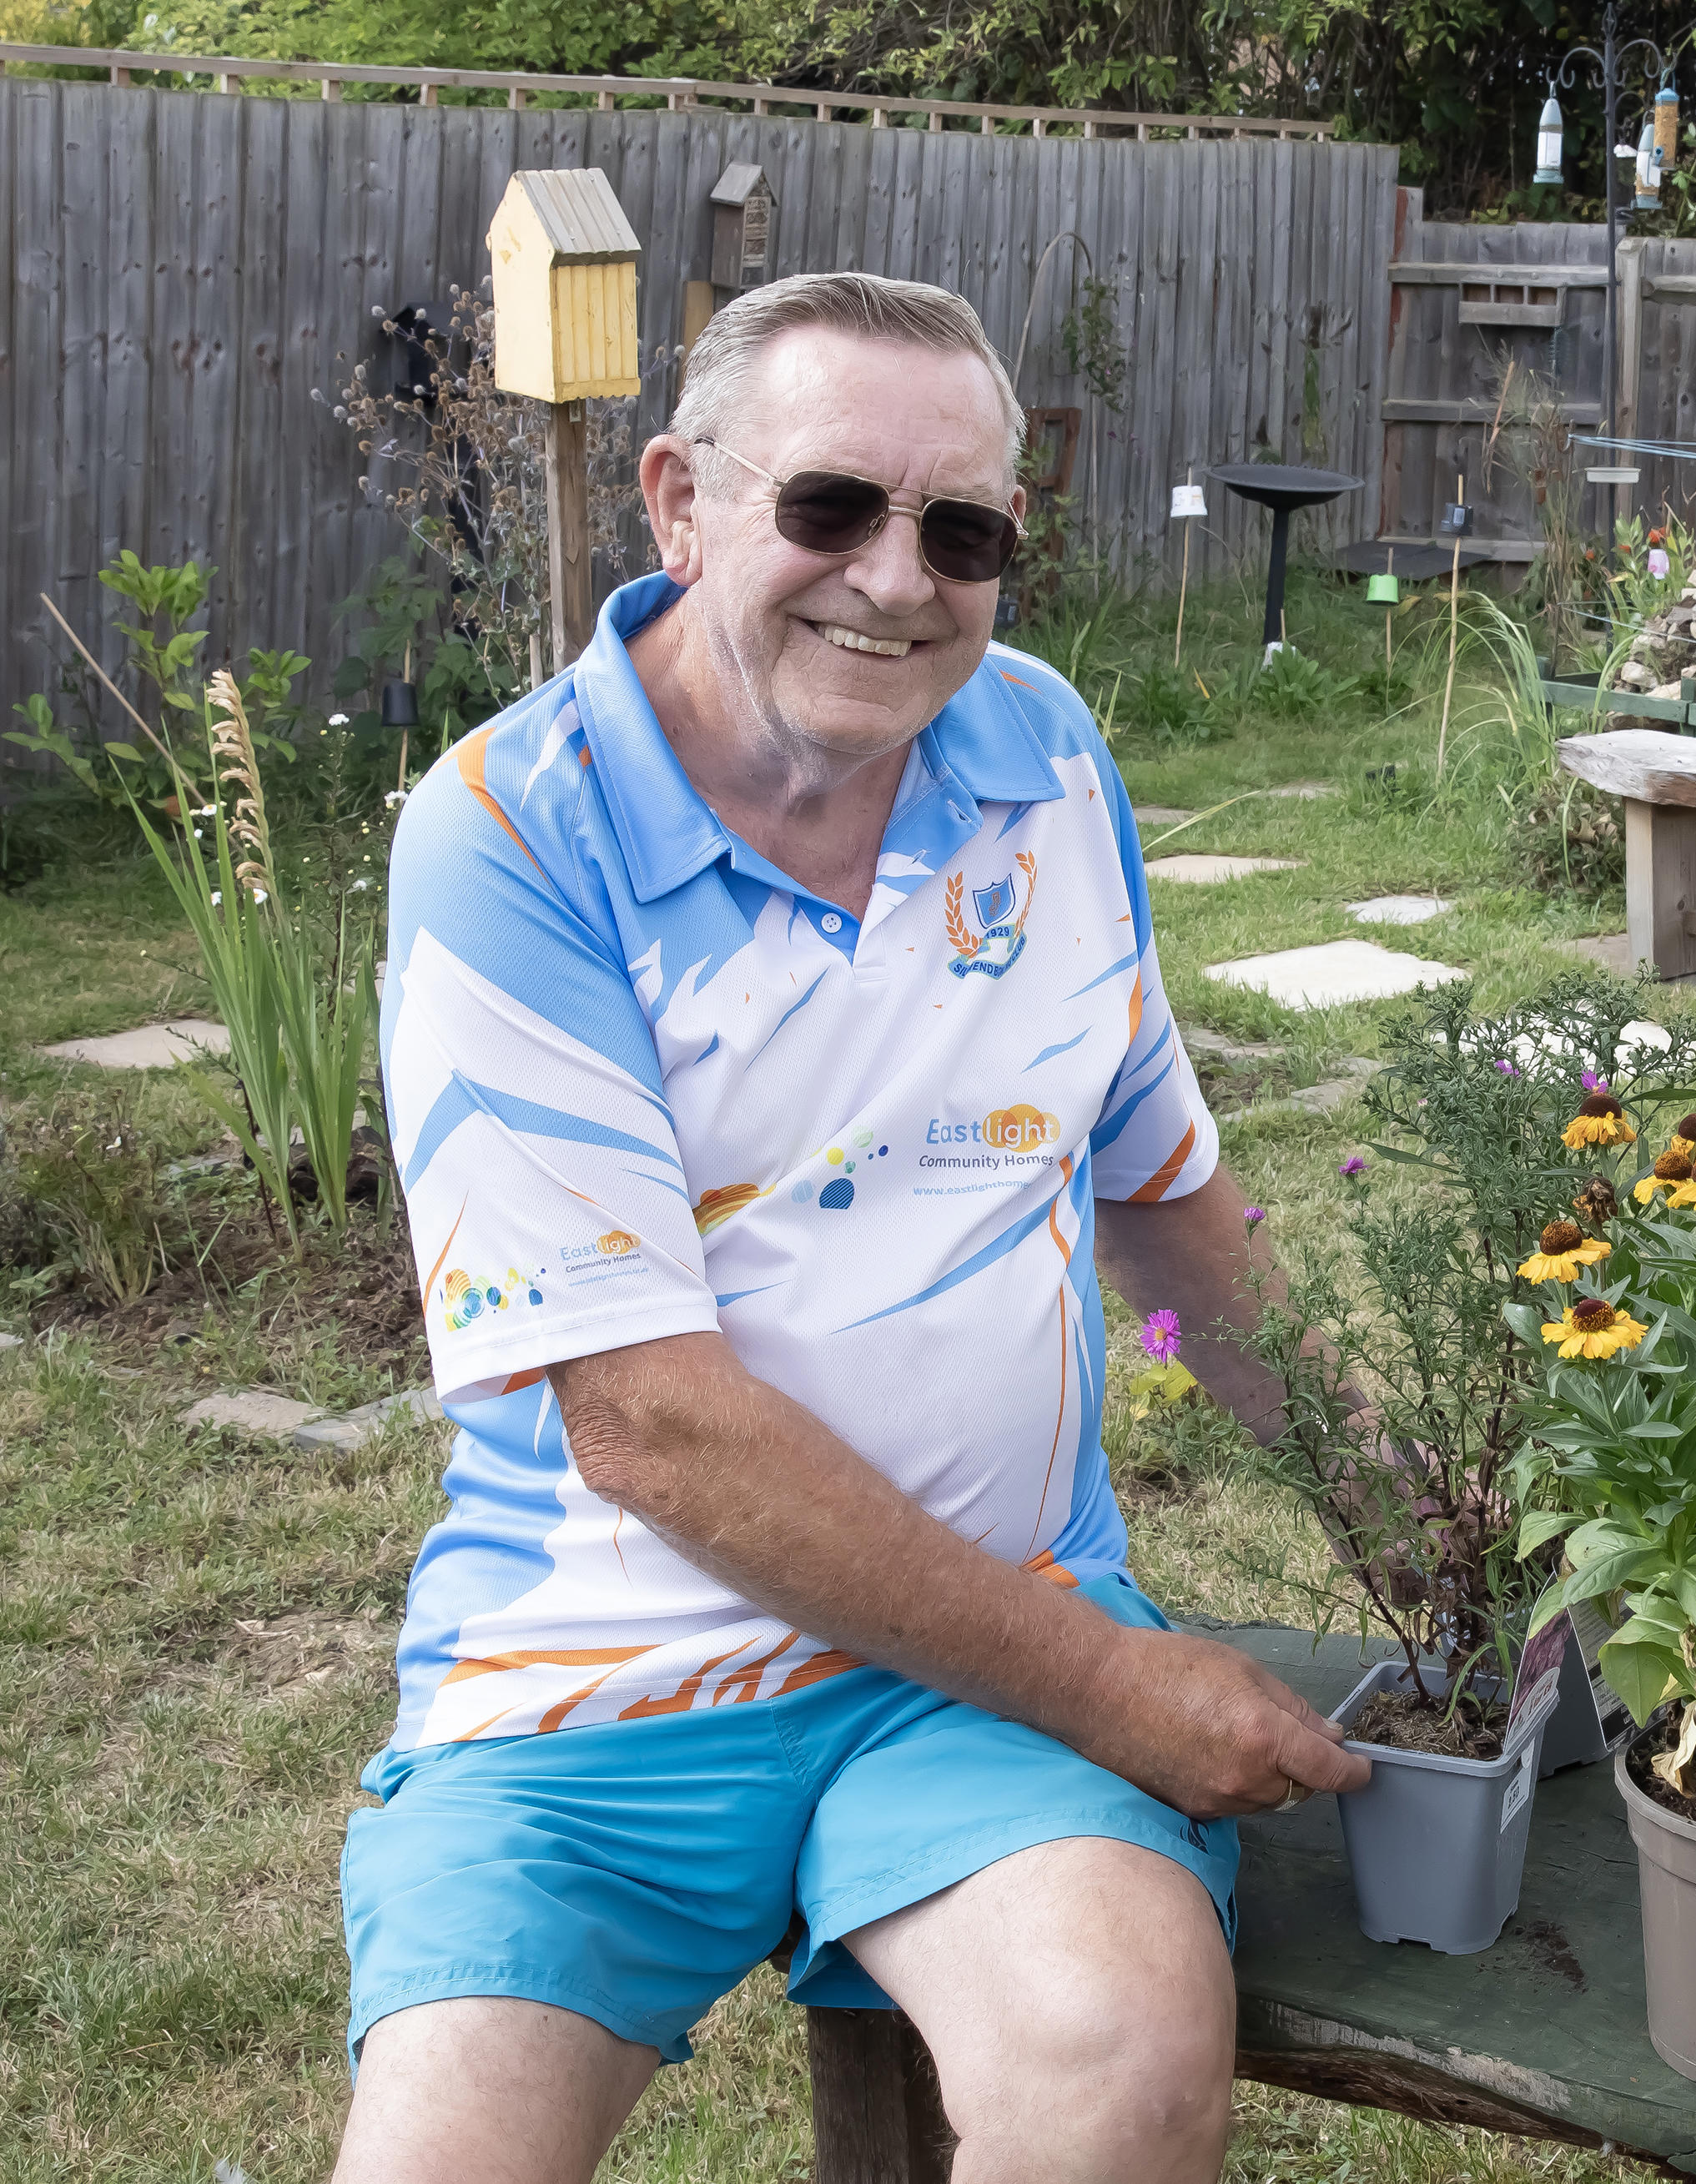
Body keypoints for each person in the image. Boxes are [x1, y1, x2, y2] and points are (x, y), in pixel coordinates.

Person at [334, 270, 1369, 2184]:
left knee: (1120, 2068)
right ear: (678, 501)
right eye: (832, 508)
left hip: (984, 1656)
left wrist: (1425, 1525)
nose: (897, 581)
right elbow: (644, 1417)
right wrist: (1128, 1689)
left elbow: (1165, 1195)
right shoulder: (512, 832)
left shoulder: (1047, 757)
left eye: (961, 531)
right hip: (594, 1674)